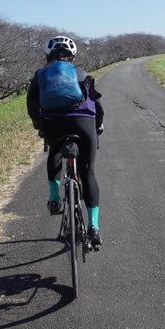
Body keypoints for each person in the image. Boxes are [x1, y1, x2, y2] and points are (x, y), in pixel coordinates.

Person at [26, 36, 105, 249]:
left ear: (47, 58)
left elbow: (31, 105)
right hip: (83, 124)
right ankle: (94, 226)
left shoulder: (40, 76)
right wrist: (98, 125)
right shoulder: (82, 74)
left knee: (55, 150)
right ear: (73, 58)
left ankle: (54, 199)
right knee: (88, 173)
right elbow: (98, 106)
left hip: (53, 124)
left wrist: (39, 126)